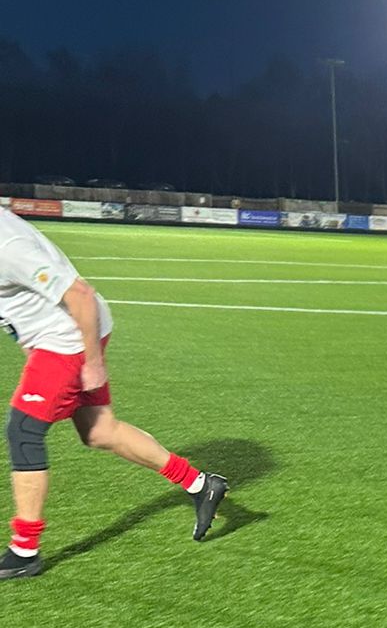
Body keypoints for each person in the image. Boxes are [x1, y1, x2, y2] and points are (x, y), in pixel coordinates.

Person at [0, 208, 226, 577]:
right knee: (99, 432)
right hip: (56, 336)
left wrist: (92, 362)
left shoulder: (8, 247)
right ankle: (201, 485)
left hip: (69, 335)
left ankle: (25, 551)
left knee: (23, 430)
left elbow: (80, 295)